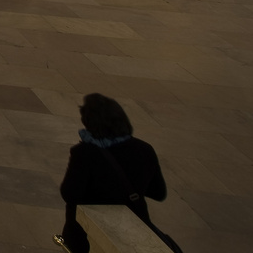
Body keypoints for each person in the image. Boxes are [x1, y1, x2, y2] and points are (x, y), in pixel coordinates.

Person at [56, 94, 180, 252]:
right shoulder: (144, 149)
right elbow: (158, 192)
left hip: (86, 235)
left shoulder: (84, 153)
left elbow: (70, 193)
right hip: (133, 227)